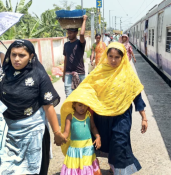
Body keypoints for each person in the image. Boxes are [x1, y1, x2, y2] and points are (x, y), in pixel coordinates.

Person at [62, 42, 148, 175]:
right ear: (106, 56)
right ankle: (110, 168)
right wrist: (74, 100)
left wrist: (144, 118)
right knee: (106, 143)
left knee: (119, 143)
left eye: (117, 57)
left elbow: (137, 96)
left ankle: (119, 171)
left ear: (123, 58)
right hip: (101, 116)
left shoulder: (128, 75)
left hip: (122, 116)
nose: (113, 60)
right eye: (111, 56)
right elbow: (87, 88)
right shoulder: (99, 71)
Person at [0, 39, 67, 175]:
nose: (17, 59)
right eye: (13, 54)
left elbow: (48, 106)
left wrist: (57, 132)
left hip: (33, 131)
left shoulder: (39, 75)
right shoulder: (2, 74)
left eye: (22, 55)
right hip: (8, 133)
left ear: (31, 56)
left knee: (33, 170)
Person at [60, 100, 102, 175]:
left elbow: (93, 127)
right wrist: (62, 138)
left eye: (85, 105)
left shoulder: (88, 115)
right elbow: (66, 132)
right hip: (75, 149)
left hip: (87, 148)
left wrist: (98, 137)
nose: (83, 108)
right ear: (74, 105)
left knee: (87, 166)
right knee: (75, 167)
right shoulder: (70, 116)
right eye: (80, 105)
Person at [63, 15, 88, 98]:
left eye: (70, 33)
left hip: (80, 73)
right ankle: (70, 111)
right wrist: (63, 74)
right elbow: (65, 59)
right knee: (68, 96)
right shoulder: (66, 45)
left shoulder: (80, 43)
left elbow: (82, 34)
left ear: (76, 33)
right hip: (68, 73)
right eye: (68, 33)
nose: (69, 34)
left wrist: (84, 20)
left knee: (81, 96)